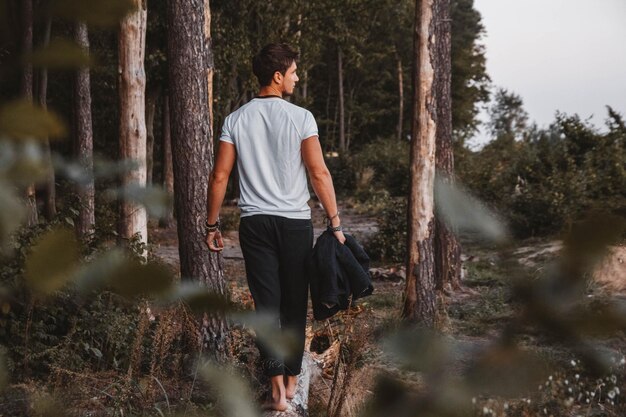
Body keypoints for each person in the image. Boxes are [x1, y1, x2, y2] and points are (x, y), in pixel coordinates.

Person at [205, 43, 345, 411]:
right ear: (277, 76)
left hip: (255, 225)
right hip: (295, 224)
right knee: (296, 305)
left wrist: (211, 224)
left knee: (267, 307)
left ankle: (275, 391)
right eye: (294, 72)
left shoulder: (235, 120)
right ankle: (294, 383)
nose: (297, 77)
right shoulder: (301, 118)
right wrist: (335, 221)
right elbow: (318, 172)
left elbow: (220, 176)